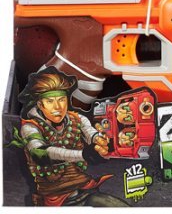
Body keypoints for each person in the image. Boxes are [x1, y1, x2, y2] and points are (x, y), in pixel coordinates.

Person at [11, 68, 128, 206]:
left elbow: (91, 134)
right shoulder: (30, 127)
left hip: (85, 189)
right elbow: (40, 153)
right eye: (50, 101)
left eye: (61, 100)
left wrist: (102, 141)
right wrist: (83, 155)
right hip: (55, 200)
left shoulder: (78, 119)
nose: (57, 107)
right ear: (40, 104)